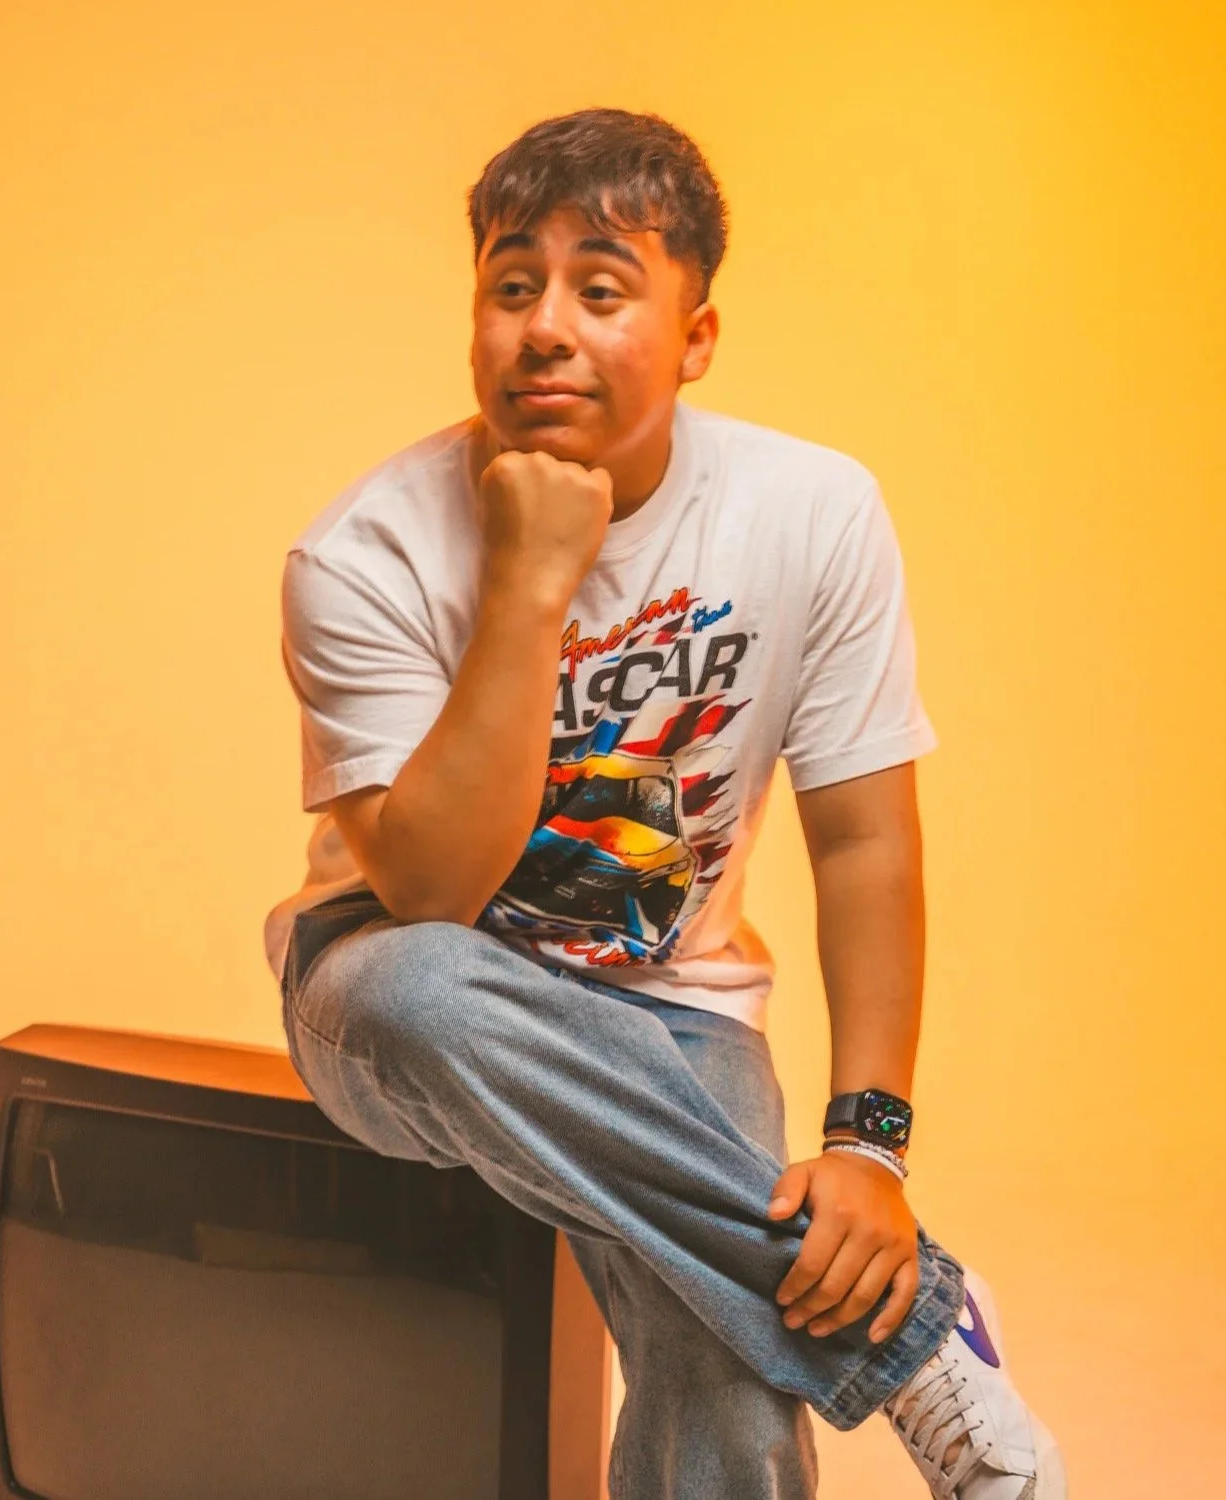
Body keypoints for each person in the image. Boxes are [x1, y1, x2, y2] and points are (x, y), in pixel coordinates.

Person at [261, 106, 1066, 1500]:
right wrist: (528, 581)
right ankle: (924, 1347)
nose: (546, 326)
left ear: (695, 335)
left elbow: (864, 840)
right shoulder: (365, 553)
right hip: (401, 1002)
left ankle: (855, 1314)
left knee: (726, 1358)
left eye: (602, 285)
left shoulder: (811, 512)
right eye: (512, 286)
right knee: (427, 991)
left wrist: (865, 1146)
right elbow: (431, 897)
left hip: (674, 1008)